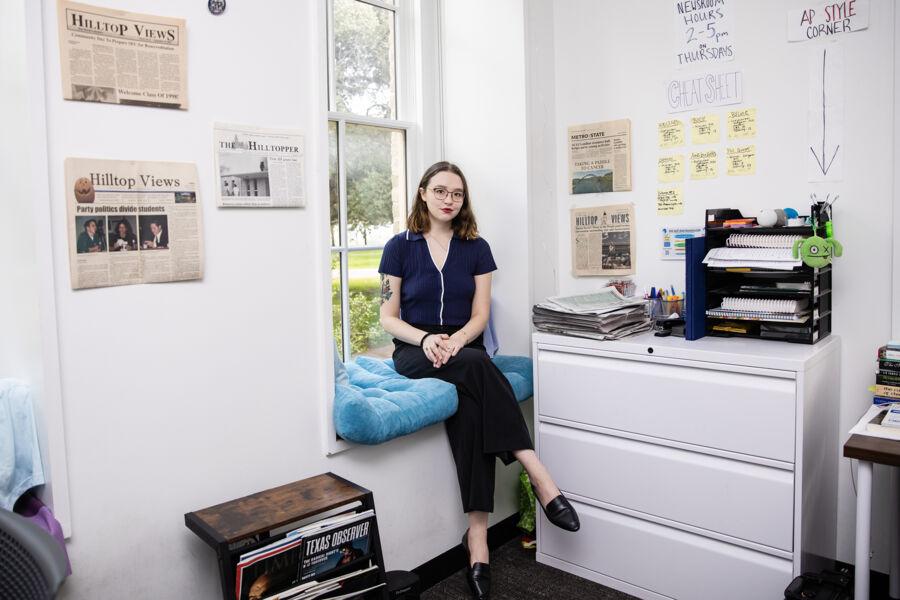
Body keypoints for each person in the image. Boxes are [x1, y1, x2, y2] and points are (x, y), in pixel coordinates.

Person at [378, 161, 579, 600]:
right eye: (441, 191)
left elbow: (480, 316)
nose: (449, 200)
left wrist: (455, 341)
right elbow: (387, 318)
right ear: (423, 193)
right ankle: (538, 473)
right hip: (414, 351)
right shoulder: (399, 247)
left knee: (471, 406)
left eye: (457, 193)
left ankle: (478, 540)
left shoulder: (476, 248)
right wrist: (428, 338)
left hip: (462, 349)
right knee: (475, 366)